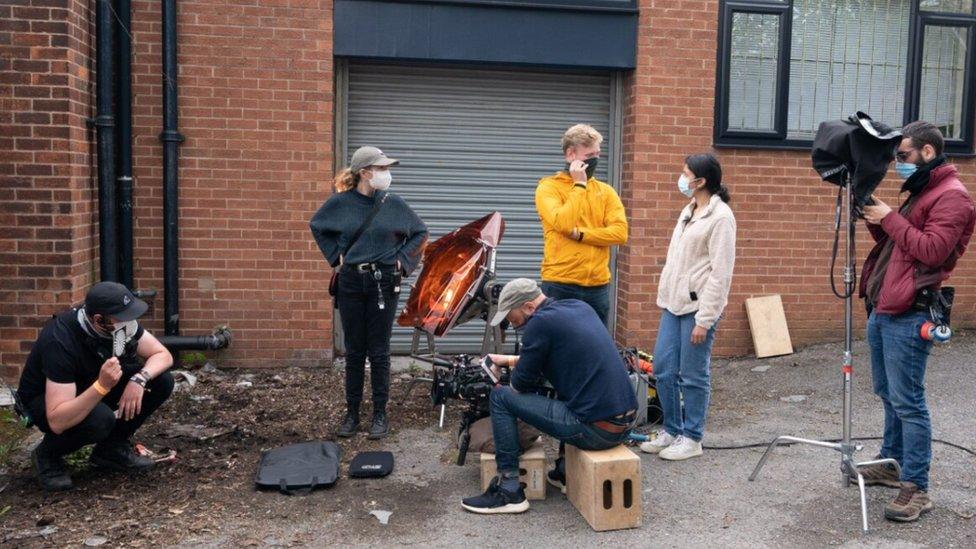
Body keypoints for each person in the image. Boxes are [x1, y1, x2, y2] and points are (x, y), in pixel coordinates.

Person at [856, 121, 974, 522]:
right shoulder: (923, 190)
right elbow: (899, 248)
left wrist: (890, 217)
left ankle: (917, 487)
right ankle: (893, 464)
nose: (898, 164)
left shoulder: (953, 197)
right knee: (889, 393)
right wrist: (876, 217)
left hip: (913, 313)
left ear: (927, 152)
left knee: (909, 402)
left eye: (903, 156)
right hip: (886, 308)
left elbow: (933, 252)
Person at [460, 278, 637, 514]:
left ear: (529, 308)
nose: (512, 325)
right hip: (623, 424)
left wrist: (500, 371)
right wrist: (510, 360)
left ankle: (509, 489)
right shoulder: (578, 308)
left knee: (500, 397)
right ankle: (564, 471)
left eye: (512, 318)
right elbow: (560, 357)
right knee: (568, 390)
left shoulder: (538, 324)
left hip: (597, 432)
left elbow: (519, 385)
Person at [310, 146, 428, 439]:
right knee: (354, 351)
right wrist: (335, 256)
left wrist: (402, 262)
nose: (386, 174)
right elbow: (317, 226)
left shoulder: (393, 203)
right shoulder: (339, 204)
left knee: (379, 351)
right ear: (365, 173)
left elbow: (420, 232)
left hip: (384, 284)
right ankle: (351, 414)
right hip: (351, 282)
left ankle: (379, 414)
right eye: (382, 168)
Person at [15, 282, 175, 491]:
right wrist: (101, 387)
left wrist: (139, 379)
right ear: (99, 320)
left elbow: (162, 355)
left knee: (161, 381)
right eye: (123, 317)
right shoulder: (60, 341)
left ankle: (111, 448)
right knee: (100, 420)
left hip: (92, 383)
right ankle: (48, 455)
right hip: (48, 402)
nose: (130, 322)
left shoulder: (119, 327)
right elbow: (57, 420)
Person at [639, 153, 735, 461]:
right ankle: (672, 429)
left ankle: (692, 438)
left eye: (685, 174)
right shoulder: (689, 210)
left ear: (701, 181)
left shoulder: (721, 218)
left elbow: (721, 274)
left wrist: (705, 320)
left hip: (697, 309)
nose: (681, 179)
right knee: (664, 369)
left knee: (693, 374)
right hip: (673, 304)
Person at [535, 124, 628, 326]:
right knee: (559, 346)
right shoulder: (548, 188)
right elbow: (563, 223)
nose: (595, 160)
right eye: (589, 155)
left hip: (598, 285)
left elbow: (620, 233)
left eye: (598, 154)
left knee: (595, 348)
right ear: (570, 154)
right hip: (561, 283)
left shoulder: (606, 191)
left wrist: (582, 235)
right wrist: (579, 185)